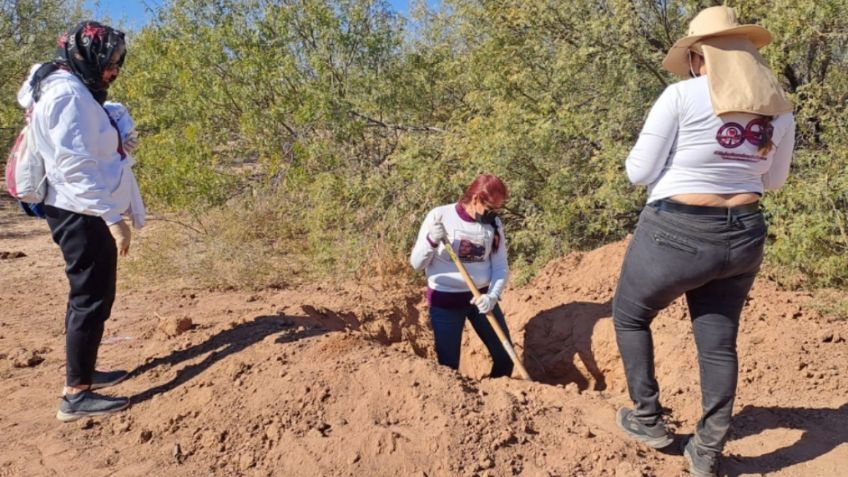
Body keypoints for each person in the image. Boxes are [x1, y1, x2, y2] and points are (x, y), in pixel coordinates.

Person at [611, 6, 795, 477]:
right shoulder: (778, 107)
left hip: (678, 229)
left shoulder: (681, 96)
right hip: (746, 232)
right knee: (718, 343)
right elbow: (772, 182)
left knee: (631, 314)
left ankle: (648, 419)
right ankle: (707, 449)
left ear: (699, 57)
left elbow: (638, 172)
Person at [17, 21, 138, 421]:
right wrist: (111, 218)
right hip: (78, 209)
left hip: (77, 206)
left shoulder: (60, 80)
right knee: (92, 296)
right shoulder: (66, 94)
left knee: (88, 293)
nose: (113, 71)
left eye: (117, 63)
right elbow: (75, 166)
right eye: (108, 63)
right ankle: (76, 395)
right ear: (86, 55)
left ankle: (84, 374)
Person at [410, 174, 514, 378]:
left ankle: (496, 399)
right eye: (491, 209)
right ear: (476, 199)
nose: (493, 215)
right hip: (445, 303)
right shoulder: (440, 216)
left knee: (505, 358)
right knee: (448, 368)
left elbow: (500, 265)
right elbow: (416, 264)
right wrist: (431, 240)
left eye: (497, 210)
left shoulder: (493, 224)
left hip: (482, 301)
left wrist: (492, 295)